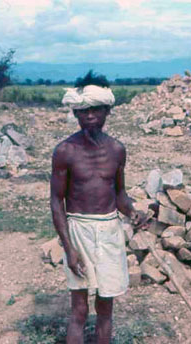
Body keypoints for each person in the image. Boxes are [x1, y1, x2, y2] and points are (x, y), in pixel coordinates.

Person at [50, 71, 147, 344]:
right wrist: (69, 249)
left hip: (109, 230)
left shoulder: (117, 150)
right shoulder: (65, 151)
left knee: (105, 307)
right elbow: (56, 201)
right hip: (78, 228)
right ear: (76, 114)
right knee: (79, 309)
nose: (89, 115)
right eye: (83, 110)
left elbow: (119, 194)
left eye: (96, 109)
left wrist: (133, 212)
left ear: (107, 111)